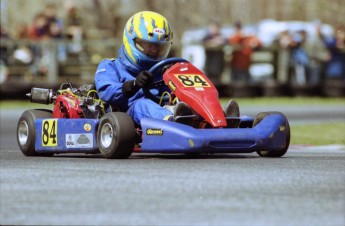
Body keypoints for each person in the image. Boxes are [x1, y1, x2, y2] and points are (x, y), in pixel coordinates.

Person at [94, 11, 239, 126]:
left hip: (165, 108)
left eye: (159, 47)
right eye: (148, 45)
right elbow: (106, 92)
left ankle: (218, 118)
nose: (153, 51)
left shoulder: (162, 70)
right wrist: (133, 85)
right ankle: (173, 122)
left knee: (186, 99)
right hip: (128, 114)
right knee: (142, 104)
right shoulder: (110, 66)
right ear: (131, 41)